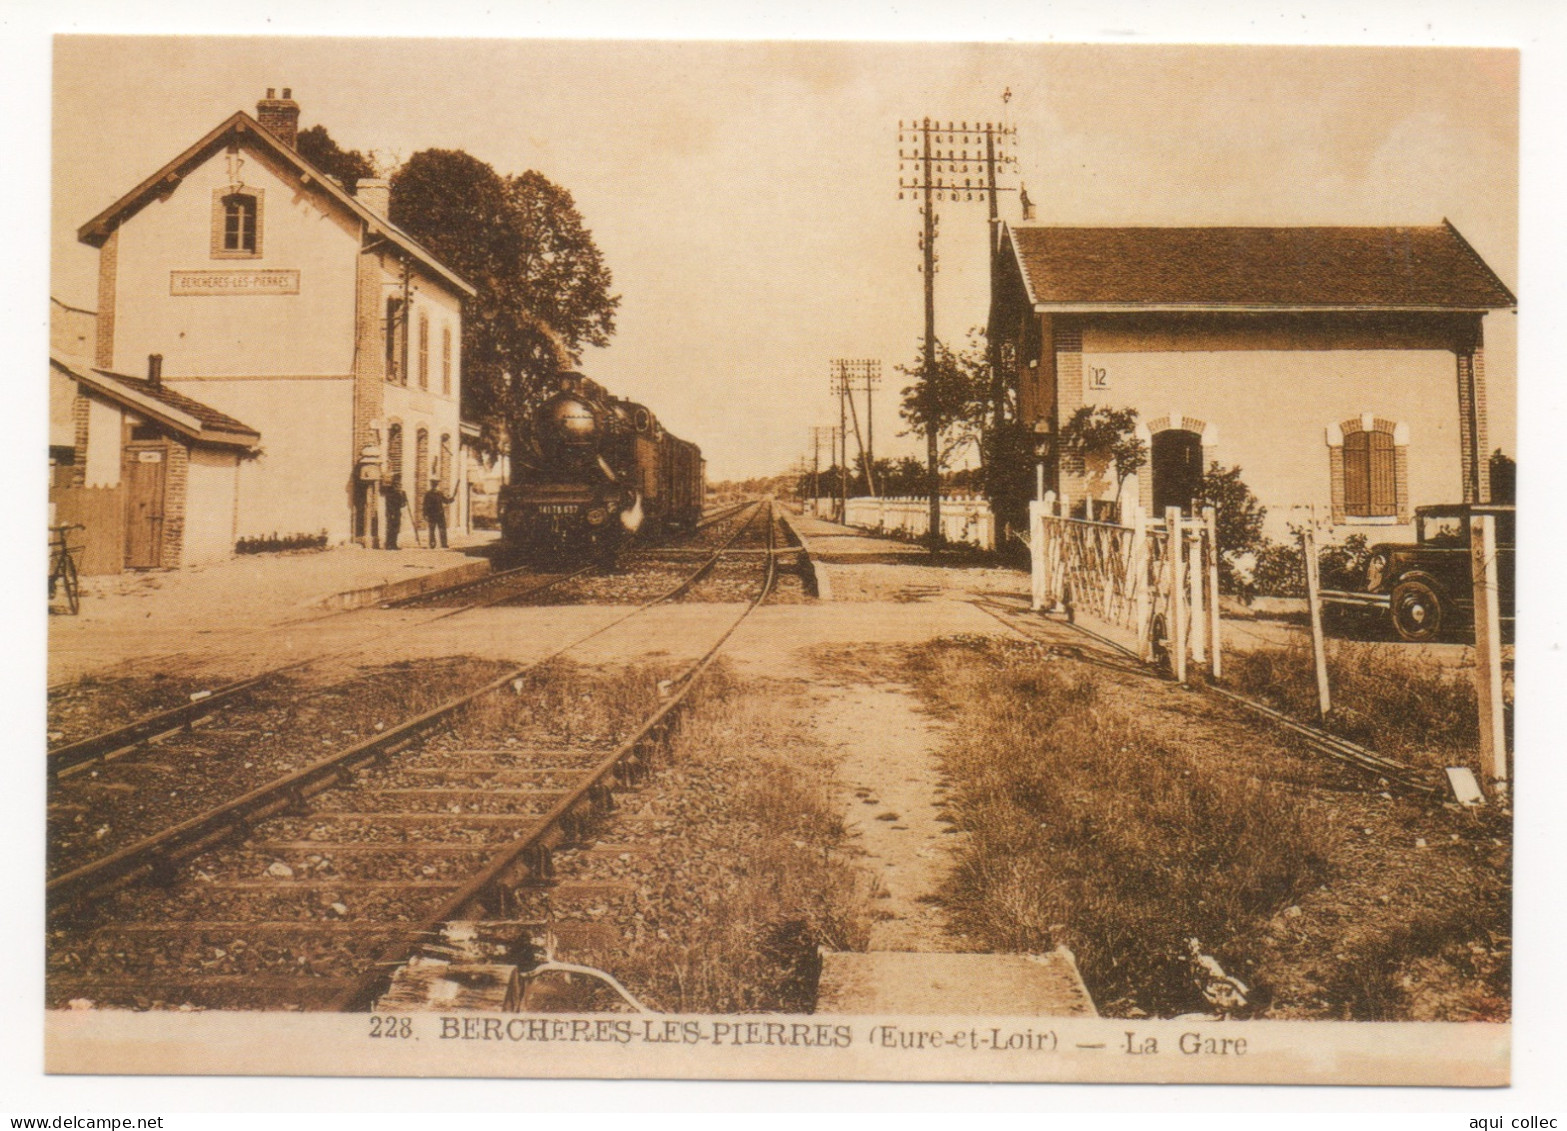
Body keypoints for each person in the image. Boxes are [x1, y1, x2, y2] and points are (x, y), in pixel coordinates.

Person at [423, 479, 451, 548]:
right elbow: (425, 505)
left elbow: (445, 501)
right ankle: (432, 543)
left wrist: (451, 499)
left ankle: (444, 544)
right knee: (432, 530)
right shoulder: (428, 494)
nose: (434, 486)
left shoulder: (440, 493)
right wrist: (425, 514)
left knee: (442, 529)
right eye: (433, 484)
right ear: (431, 485)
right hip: (432, 514)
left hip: (440, 514)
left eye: (435, 484)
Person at [383, 479, 407, 550]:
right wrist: (392, 513)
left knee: (396, 529)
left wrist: (403, 496)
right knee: (390, 529)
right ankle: (388, 544)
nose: (398, 487)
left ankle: (394, 544)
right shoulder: (390, 494)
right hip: (391, 513)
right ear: (394, 486)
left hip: (397, 513)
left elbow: (402, 504)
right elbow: (389, 505)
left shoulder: (399, 493)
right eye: (397, 485)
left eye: (399, 485)